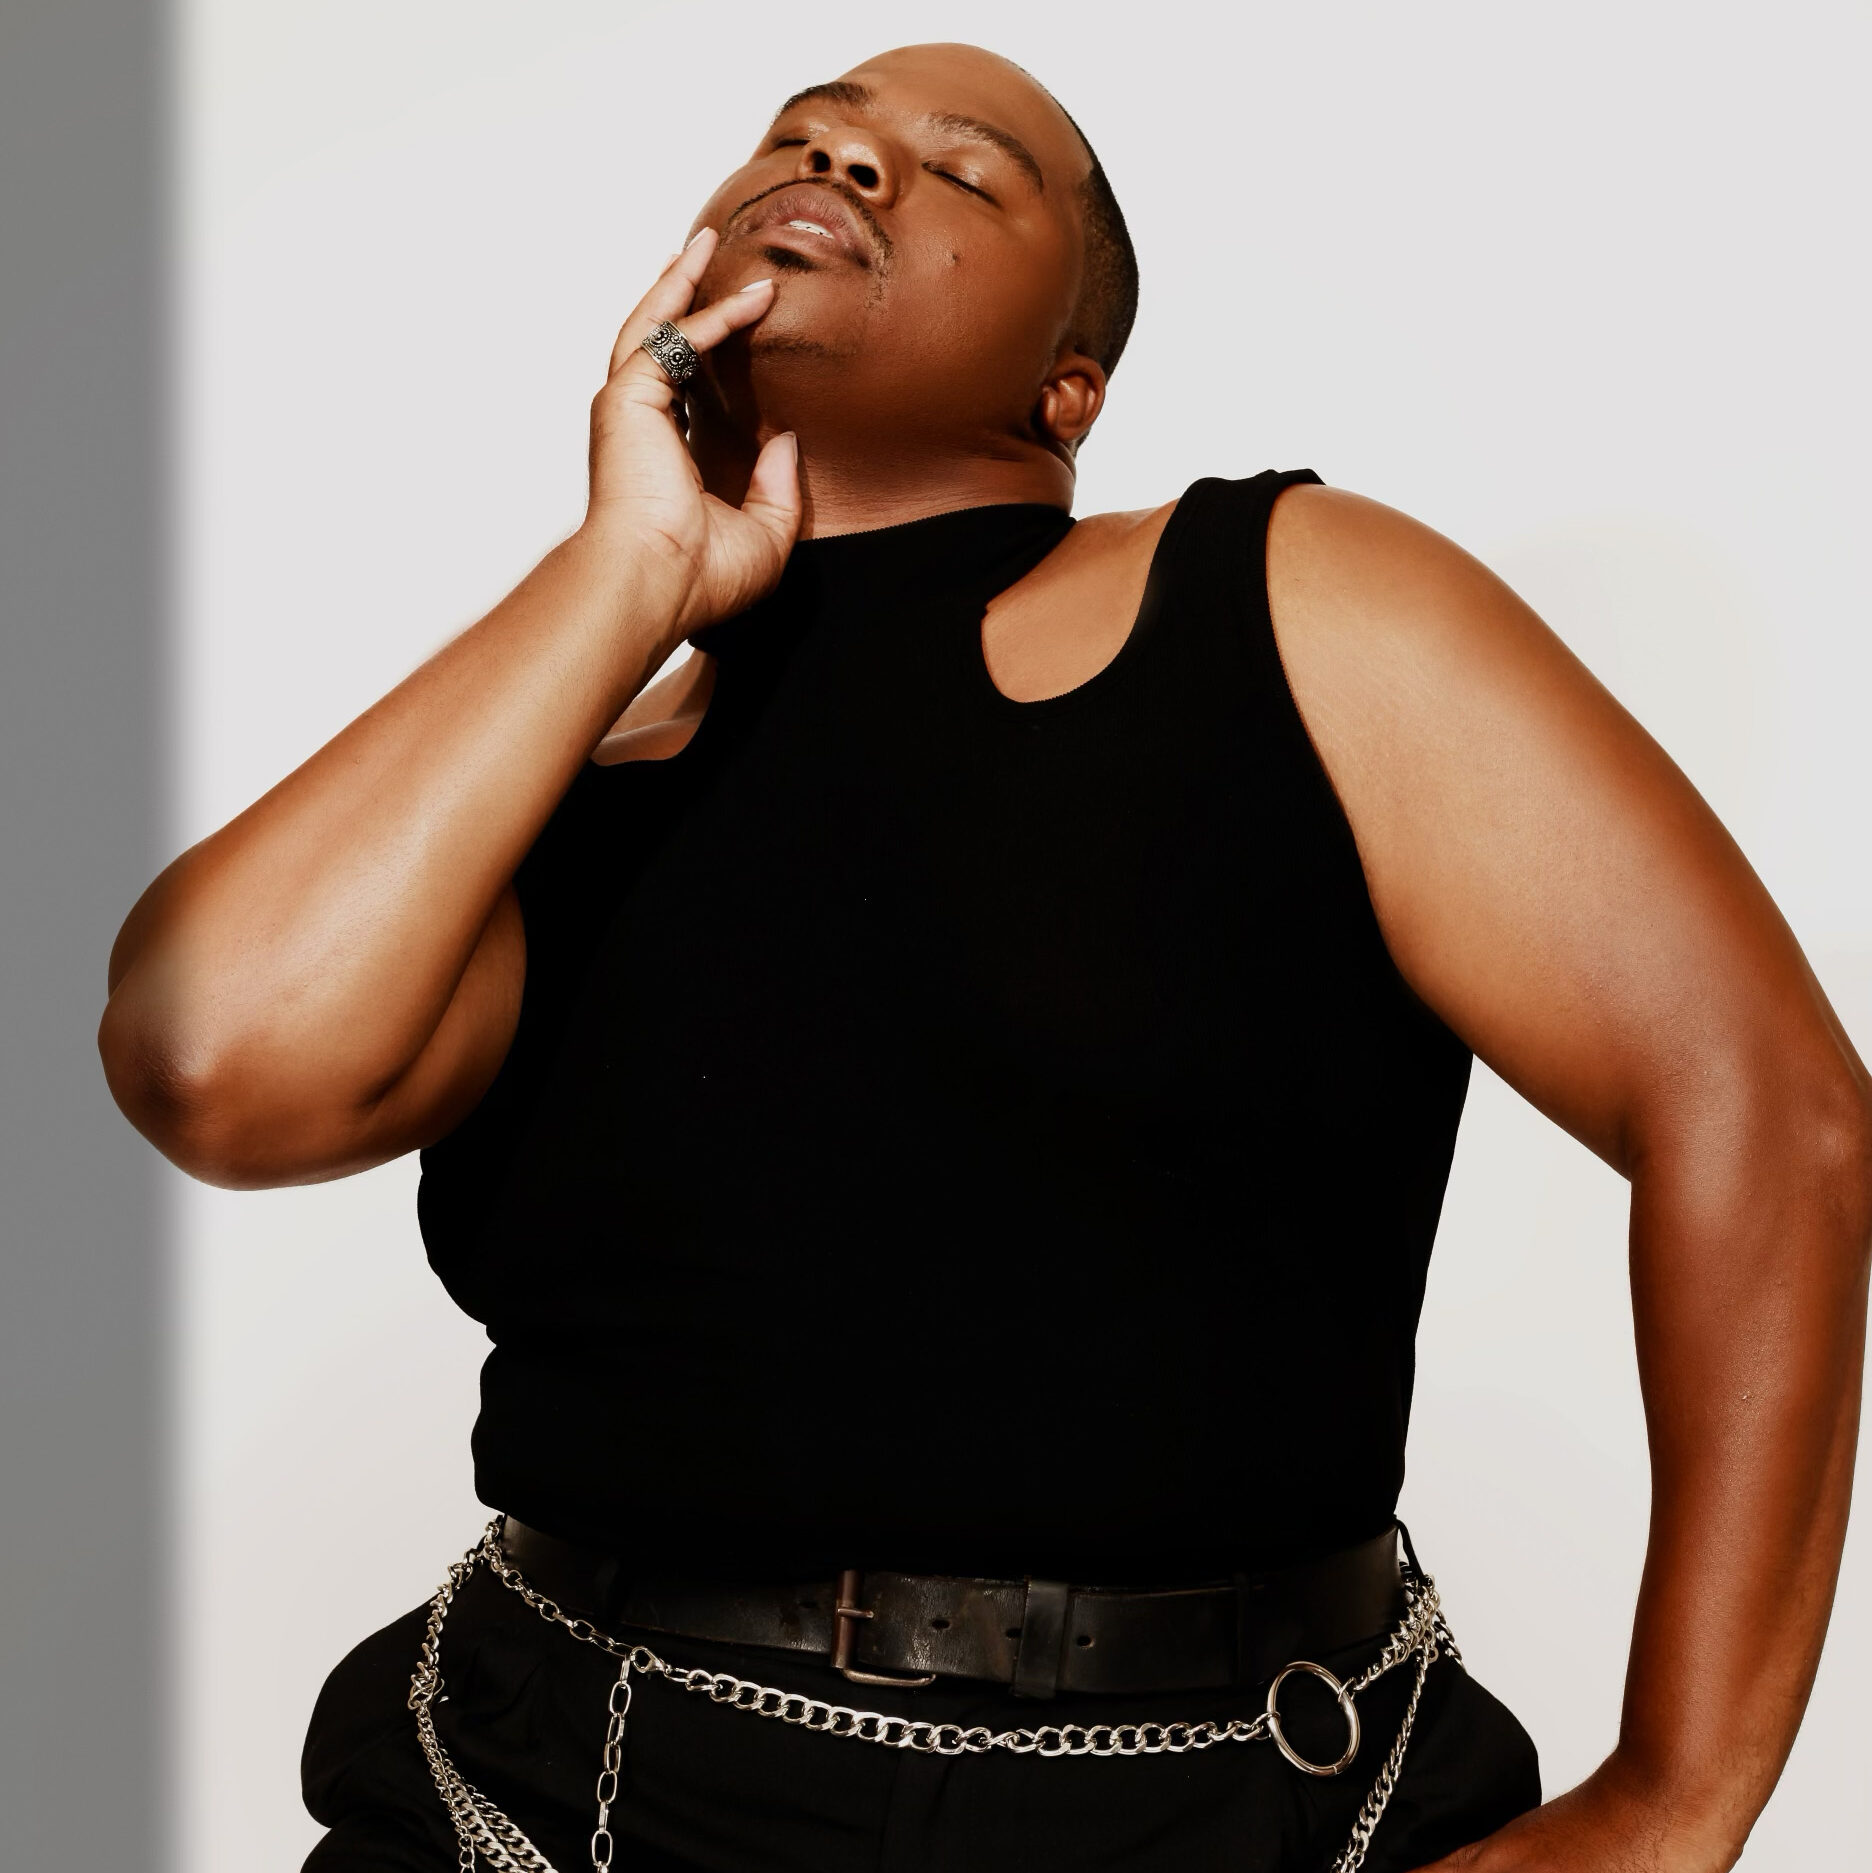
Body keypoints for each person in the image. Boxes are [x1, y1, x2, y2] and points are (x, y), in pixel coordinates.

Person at [99, 39, 1870, 1873]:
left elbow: (1762, 1104)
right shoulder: (548, 782)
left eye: (962, 172)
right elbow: (215, 1055)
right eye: (808, 136)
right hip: (558, 1795)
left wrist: (1674, 1801)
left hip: (1226, 1803)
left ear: (1070, 381)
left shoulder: (1289, 605)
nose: (850, 164)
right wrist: (625, 567)